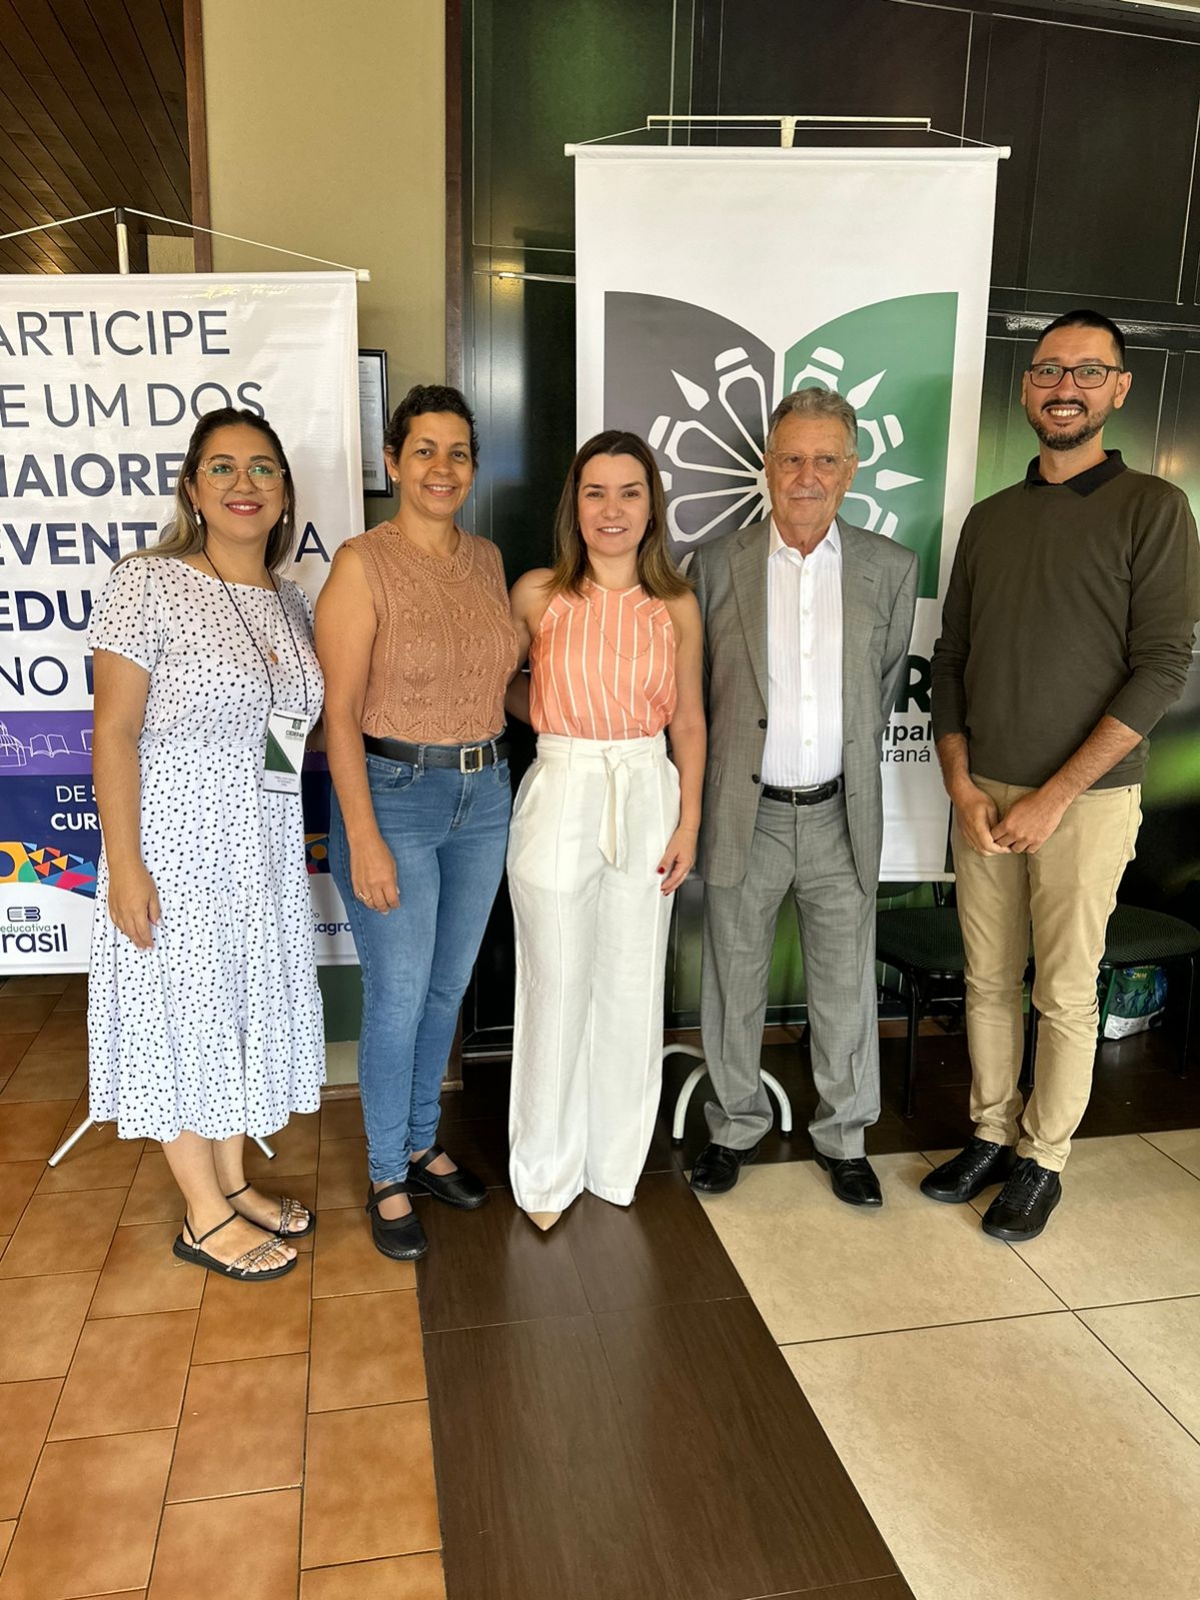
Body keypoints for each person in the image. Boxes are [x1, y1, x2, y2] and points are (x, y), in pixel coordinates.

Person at [926, 308, 1200, 1240]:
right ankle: (991, 1136)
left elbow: (1164, 665)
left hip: (1085, 803)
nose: (1066, 387)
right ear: (1027, 388)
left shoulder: (1154, 510)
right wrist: (962, 783)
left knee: (1065, 990)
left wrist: (1054, 795)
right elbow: (952, 659)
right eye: (1049, 371)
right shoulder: (991, 520)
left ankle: (1043, 1160)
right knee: (988, 980)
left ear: (1119, 389)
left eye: (1089, 371)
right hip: (983, 797)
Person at [88, 408, 324, 1282]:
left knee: (233, 1010)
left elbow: (283, 732)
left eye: (262, 468)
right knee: (182, 1015)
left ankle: (232, 1181)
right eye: (221, 468)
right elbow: (112, 732)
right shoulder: (145, 582)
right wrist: (126, 866)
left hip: (258, 846)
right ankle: (201, 1214)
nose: (242, 484)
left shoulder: (291, 598)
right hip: (175, 843)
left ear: (283, 491)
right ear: (192, 488)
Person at [688, 387, 918, 1207]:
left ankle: (846, 1136)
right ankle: (733, 1126)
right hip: (743, 810)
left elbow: (881, 687)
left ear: (851, 470)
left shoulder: (891, 568)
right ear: (767, 465)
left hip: (837, 813)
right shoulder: (716, 565)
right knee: (733, 978)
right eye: (792, 458)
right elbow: (699, 695)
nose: (807, 475)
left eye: (826, 459)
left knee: (845, 983)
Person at [316, 384, 518, 1262]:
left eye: (459, 452)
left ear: (474, 467)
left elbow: (499, 684)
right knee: (397, 996)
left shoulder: (488, 560)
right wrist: (360, 834)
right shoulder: (362, 563)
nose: (443, 467)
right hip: (395, 795)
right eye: (425, 450)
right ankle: (385, 1172)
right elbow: (340, 711)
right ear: (393, 461)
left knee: (447, 988)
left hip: (487, 791)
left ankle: (421, 1140)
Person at [506, 430, 705, 1229]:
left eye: (629, 492)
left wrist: (689, 819)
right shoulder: (536, 595)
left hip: (648, 787)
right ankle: (545, 1174)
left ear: (651, 504)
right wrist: (558, 722)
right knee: (555, 987)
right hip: (560, 788)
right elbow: (502, 691)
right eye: (595, 492)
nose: (612, 509)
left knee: (629, 987)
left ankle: (614, 1163)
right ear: (574, 505)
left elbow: (689, 721)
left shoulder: (678, 603)